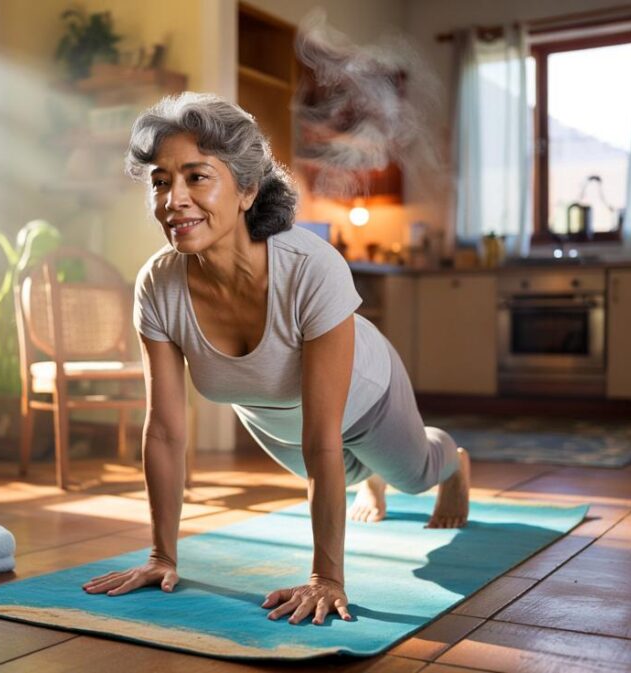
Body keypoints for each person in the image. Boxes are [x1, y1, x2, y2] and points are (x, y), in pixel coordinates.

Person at [82, 92, 470, 626]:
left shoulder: (310, 267)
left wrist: (326, 578)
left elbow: (323, 436)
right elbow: (166, 431)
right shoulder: (158, 284)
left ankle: (453, 463)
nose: (173, 198)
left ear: (246, 189)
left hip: (367, 395)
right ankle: (369, 478)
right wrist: (161, 555)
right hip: (279, 423)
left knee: (413, 475)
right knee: (344, 470)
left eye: (196, 177)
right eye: (160, 181)